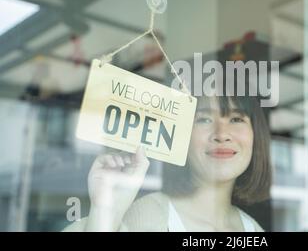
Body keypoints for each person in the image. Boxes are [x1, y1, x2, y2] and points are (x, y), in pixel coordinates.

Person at [63, 92, 272, 232]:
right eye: (204, 119)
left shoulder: (252, 229)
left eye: (236, 119)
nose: (221, 134)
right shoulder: (146, 216)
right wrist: (106, 212)